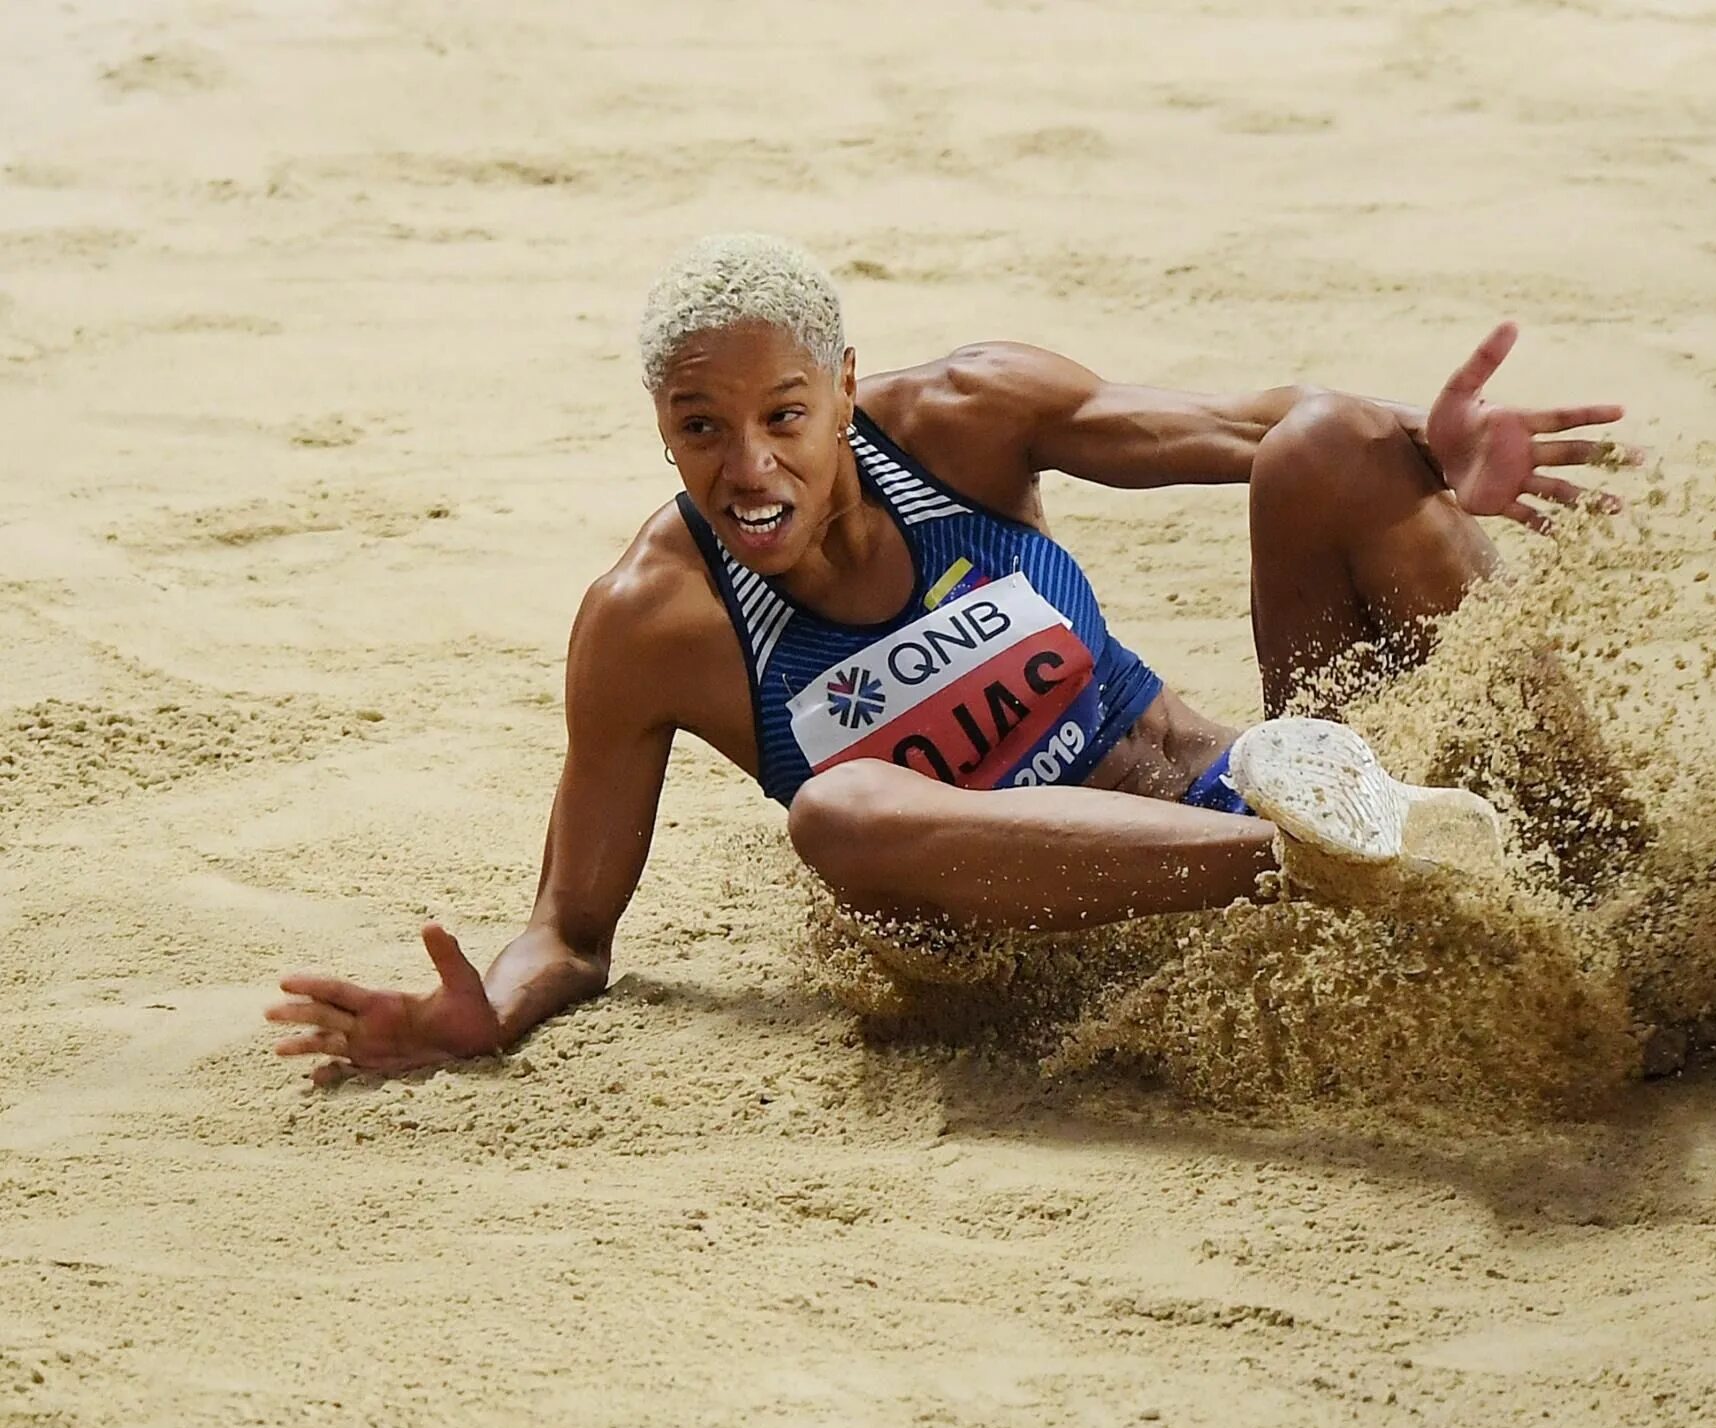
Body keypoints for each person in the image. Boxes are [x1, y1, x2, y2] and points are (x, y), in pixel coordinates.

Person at [266, 233, 1633, 1086]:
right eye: (699, 429)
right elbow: (569, 928)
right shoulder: (651, 621)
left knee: (1335, 441)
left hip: (1262, 779)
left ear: (847, 386)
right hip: (1106, 940)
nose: (750, 468)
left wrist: (1429, 453)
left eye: (785, 415)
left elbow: (1259, 421)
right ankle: (1322, 863)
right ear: (662, 428)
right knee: (835, 807)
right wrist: (483, 1016)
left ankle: (1615, 866)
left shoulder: (964, 422)